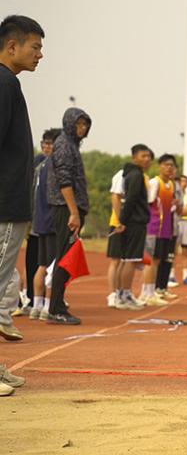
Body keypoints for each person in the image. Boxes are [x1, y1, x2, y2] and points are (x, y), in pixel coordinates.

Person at [0, 14, 44, 344]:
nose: (39, 54)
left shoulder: (9, 83)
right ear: (12, 46)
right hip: (4, 207)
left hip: (12, 206)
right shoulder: (4, 83)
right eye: (35, 47)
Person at [45, 106, 92, 325]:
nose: (82, 128)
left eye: (85, 125)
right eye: (79, 124)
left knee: (67, 258)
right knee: (64, 259)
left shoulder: (71, 144)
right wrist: (74, 212)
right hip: (66, 209)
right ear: (69, 124)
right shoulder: (64, 145)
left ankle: (58, 304)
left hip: (71, 209)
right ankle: (55, 309)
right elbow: (65, 182)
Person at [115, 144, 153, 310]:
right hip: (134, 222)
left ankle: (120, 294)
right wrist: (122, 220)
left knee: (125, 260)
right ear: (134, 157)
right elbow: (130, 199)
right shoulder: (136, 175)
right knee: (130, 260)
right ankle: (126, 295)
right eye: (143, 156)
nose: (147, 159)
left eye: (149, 157)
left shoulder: (129, 174)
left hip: (130, 221)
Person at [27, 128, 59, 319]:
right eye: (44, 143)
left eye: (50, 143)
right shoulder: (53, 166)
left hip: (40, 222)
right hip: (51, 222)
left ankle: (36, 306)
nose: (47, 147)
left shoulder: (39, 167)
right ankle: (48, 307)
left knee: (42, 265)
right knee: (54, 265)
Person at [141, 154, 177, 305]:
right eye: (166, 164)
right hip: (153, 227)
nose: (169, 168)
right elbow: (147, 203)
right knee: (150, 261)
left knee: (157, 261)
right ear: (160, 166)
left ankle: (151, 292)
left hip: (165, 229)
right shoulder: (155, 183)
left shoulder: (171, 185)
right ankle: (146, 293)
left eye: (172, 165)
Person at [105, 163, 126, 308]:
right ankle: (112, 295)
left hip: (131, 224)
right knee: (116, 260)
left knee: (125, 261)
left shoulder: (142, 177)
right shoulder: (122, 175)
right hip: (118, 223)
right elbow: (115, 196)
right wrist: (119, 221)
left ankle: (120, 293)